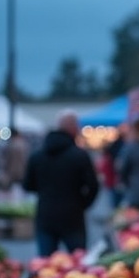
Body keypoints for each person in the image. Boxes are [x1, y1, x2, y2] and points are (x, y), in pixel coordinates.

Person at [23, 110, 100, 256]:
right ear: (71, 127)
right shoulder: (80, 155)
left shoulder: (37, 155)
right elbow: (94, 186)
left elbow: (27, 185)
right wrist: (82, 204)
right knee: (79, 263)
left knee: (46, 265)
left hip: (45, 214)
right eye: (77, 126)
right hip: (73, 215)